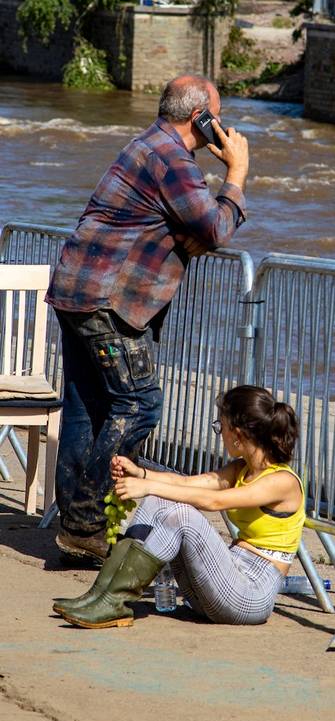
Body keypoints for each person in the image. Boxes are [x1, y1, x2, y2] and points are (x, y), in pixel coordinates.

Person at [45, 74, 250, 565]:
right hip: (107, 303)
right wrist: (237, 175)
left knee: (87, 409)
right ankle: (89, 522)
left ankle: (78, 531)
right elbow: (216, 228)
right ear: (200, 117)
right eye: (216, 115)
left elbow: (194, 227)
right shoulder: (173, 159)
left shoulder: (147, 146)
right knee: (139, 404)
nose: (220, 124)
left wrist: (195, 232)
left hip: (79, 291)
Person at [53, 386, 304, 629]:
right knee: (158, 502)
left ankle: (113, 601)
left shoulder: (282, 481)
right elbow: (188, 483)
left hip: (250, 594)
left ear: (238, 434)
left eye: (222, 427)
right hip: (220, 585)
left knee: (183, 515)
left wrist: (147, 486)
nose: (221, 433)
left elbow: (213, 501)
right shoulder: (242, 468)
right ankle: (103, 594)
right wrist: (141, 474)